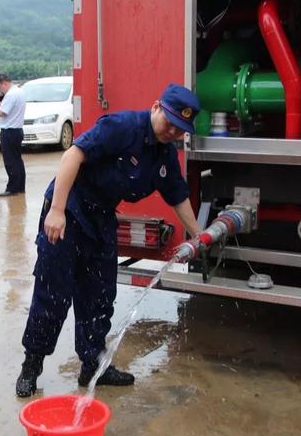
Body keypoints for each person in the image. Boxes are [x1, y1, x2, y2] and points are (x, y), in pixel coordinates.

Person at [15, 83, 203, 397]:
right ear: (156, 106)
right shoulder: (123, 126)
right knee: (53, 293)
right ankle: (31, 366)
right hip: (70, 209)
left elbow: (178, 197)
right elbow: (72, 156)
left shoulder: (165, 155)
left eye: (180, 128)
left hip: (101, 217)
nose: (172, 131)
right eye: (169, 121)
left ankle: (93, 367)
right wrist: (57, 210)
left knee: (100, 295)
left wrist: (198, 237)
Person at [0, 74, 26, 197]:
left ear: (4, 83)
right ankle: (20, 187)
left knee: (10, 161)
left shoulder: (11, 94)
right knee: (17, 160)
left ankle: (12, 188)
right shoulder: (19, 92)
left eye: (0, 87)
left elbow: (2, 113)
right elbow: (7, 110)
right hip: (17, 130)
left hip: (9, 132)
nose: (0, 90)